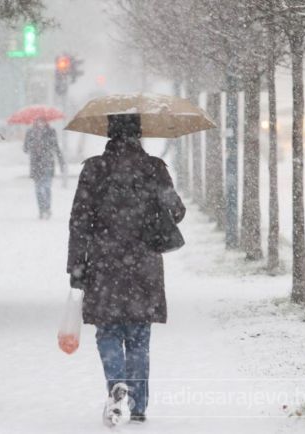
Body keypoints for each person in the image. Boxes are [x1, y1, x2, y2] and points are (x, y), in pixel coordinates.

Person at [67, 114, 185, 426]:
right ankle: (138, 402)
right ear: (139, 135)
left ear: (109, 135)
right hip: (143, 263)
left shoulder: (94, 168)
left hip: (104, 263)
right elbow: (177, 210)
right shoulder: (154, 168)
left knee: (107, 330)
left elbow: (79, 221)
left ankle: (116, 386)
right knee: (138, 335)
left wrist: (76, 266)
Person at [23, 117, 66, 219]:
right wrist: (32, 145)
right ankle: (41, 210)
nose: (40, 123)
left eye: (42, 121)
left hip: (48, 164)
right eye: (38, 121)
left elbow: (56, 147)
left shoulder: (51, 132)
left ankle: (47, 208)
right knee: (38, 189)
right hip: (36, 165)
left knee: (46, 188)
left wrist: (61, 162)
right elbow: (25, 149)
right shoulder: (30, 132)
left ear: (46, 122)